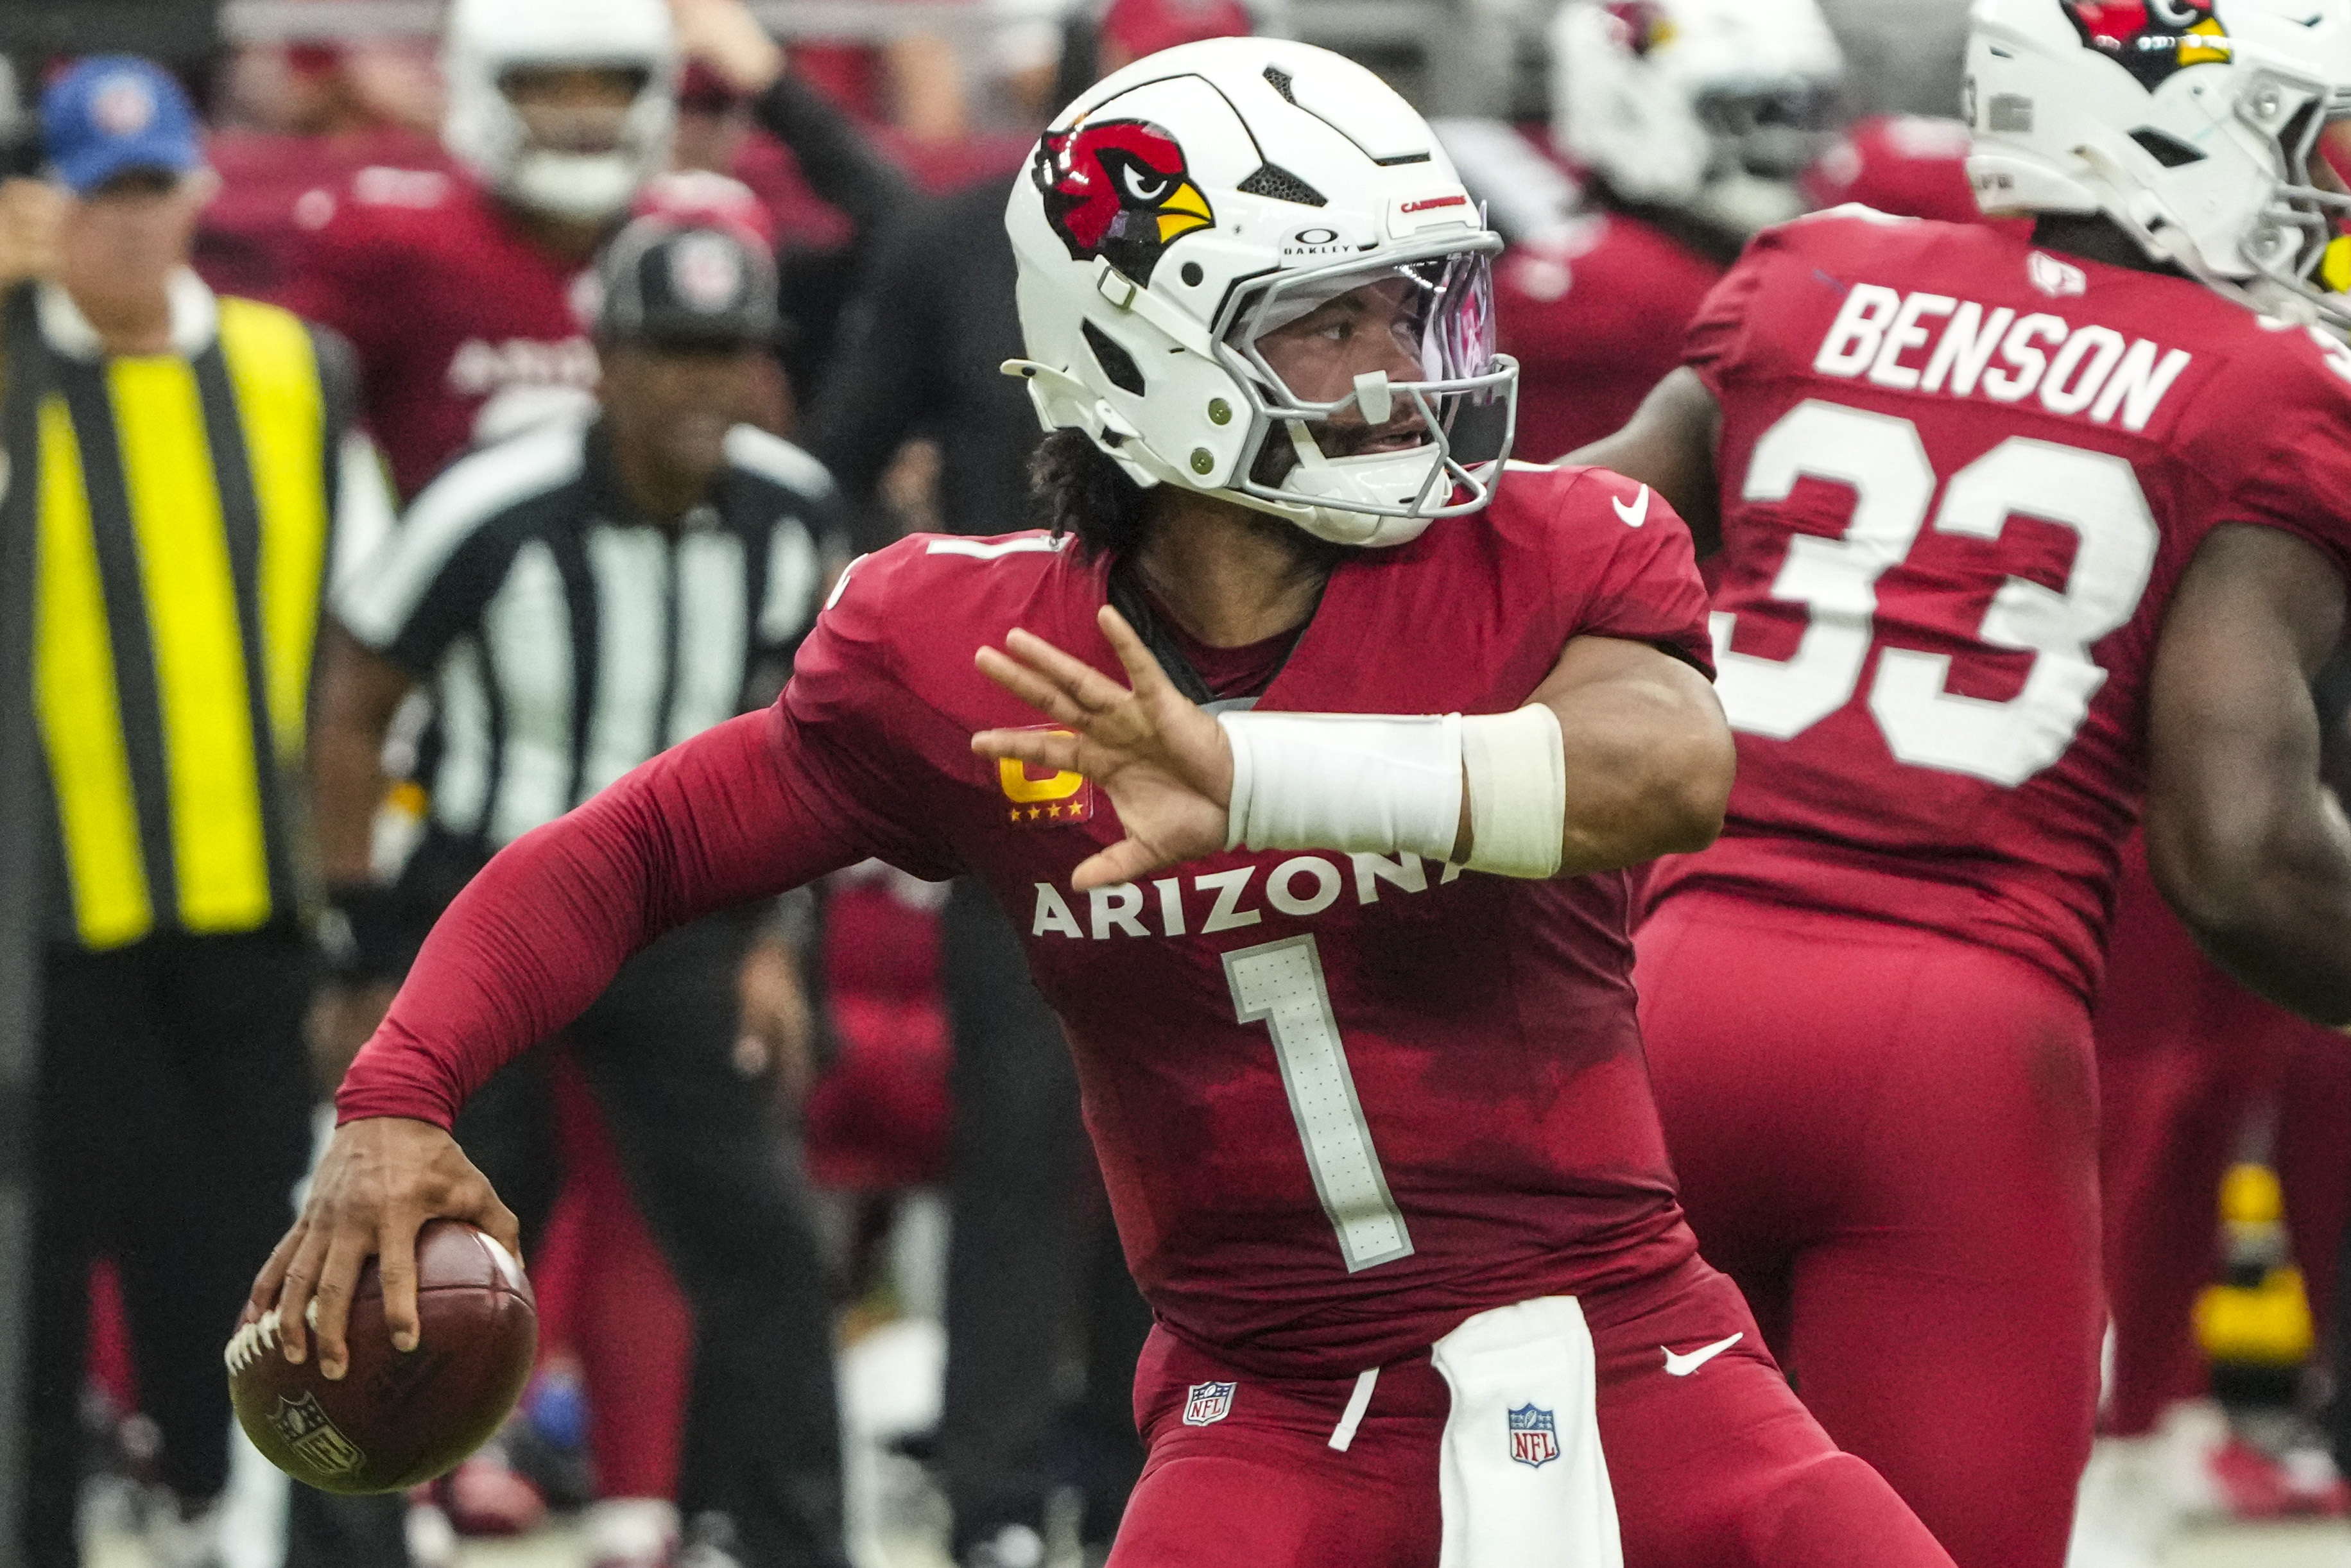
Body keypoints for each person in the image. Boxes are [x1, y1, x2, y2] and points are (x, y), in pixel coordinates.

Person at [250, 38, 1960, 1567]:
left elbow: (1663, 773)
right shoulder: (971, 649)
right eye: (1331, 319)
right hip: (1269, 1402)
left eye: (1415, 306)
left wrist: (1255, 777)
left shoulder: (1540, 548)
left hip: (1634, 1344)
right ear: (1145, 355)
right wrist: (399, 1094)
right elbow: (634, 850)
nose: (1403, 362)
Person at [1569, 1, 2351, 1564]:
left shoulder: (1808, 276)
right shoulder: (2262, 389)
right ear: (2163, 127)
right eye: (2308, 148)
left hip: (1664, 995)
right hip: (1955, 1047)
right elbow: (2238, 853)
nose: (2327, 193)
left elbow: (1552, 557)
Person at [313, 220, 847, 1568]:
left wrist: (774, 942)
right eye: (673, 351)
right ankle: (349, 1542)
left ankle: (781, 1539)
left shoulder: (791, 511)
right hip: (485, 908)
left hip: (681, 919)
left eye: (727, 353)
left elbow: (803, 748)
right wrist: (360, 951)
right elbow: (355, 705)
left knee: (765, 1241)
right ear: (604, 359)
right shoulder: (493, 503)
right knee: (413, 1239)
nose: (701, 385)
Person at [801, 3, 1245, 1558]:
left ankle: (1147, 1475)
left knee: (1193, 1129)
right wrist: (918, 628)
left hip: (1229, 747)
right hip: (1022, 753)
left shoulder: (1278, 262)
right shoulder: (958, 243)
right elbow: (834, 462)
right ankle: (992, 1491)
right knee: (1016, 1126)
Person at [0, 55, 392, 1568]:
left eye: (153, 188)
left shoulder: (296, 371)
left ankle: (280, 1541)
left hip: (253, 913)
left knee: (260, 1275)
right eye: (96, 196)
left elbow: (365, 642)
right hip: (50, 930)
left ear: (199, 194)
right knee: (34, 1283)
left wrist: (359, 904)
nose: (126, 222)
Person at [280, 0, 911, 501]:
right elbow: (293, 422)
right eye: (548, 87)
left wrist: (770, 81)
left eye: (610, 85)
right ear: (479, 82)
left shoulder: (703, 230)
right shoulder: (393, 237)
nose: (582, 114)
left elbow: (915, 244)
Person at [1454, 0, 1845, 464]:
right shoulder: (1618, 283)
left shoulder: (1696, 263)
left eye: (1799, 118)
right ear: (1628, 107)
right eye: (1741, 116)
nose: (1781, 152)